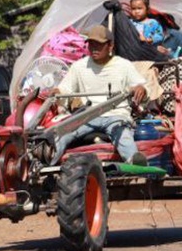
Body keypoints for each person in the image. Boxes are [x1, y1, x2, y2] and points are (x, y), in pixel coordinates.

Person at [44, 25, 149, 166]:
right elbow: (64, 90)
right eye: (91, 44)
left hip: (116, 115)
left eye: (99, 45)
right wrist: (57, 93)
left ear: (110, 45)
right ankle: (46, 165)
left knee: (123, 136)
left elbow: (142, 87)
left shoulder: (124, 65)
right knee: (61, 135)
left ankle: (135, 163)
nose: (94, 48)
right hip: (86, 116)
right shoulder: (78, 66)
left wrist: (141, 89)